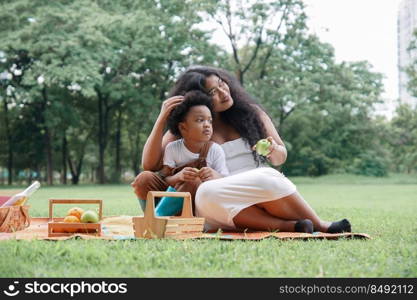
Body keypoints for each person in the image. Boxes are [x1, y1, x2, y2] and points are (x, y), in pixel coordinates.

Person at [132, 66, 351, 234]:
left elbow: (279, 157)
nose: (223, 92)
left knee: (268, 176)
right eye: (213, 92)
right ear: (199, 98)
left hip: (261, 189)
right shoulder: (191, 127)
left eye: (222, 84)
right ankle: (297, 226)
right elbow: (149, 166)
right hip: (217, 200)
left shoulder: (252, 113)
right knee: (206, 192)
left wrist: (273, 150)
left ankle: (315, 225)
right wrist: (162, 119)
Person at [133, 90, 229, 214]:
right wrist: (178, 177)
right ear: (183, 127)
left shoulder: (215, 150)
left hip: (196, 204)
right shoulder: (173, 148)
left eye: (209, 121)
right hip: (173, 197)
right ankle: (153, 215)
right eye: (200, 120)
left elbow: (226, 181)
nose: (207, 125)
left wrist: (214, 176)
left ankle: (158, 217)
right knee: (144, 178)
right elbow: (165, 179)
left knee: (193, 181)